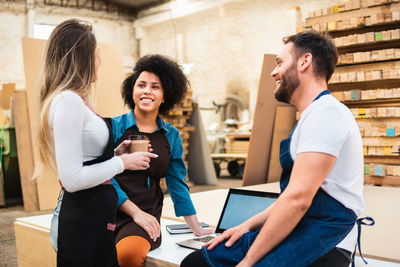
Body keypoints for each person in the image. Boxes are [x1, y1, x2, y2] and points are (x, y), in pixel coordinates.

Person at [181, 30, 373, 267]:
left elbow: (298, 199)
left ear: (305, 61)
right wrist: (247, 225)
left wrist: (248, 262)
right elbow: (292, 196)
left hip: (325, 240)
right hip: (304, 227)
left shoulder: (326, 114)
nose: (273, 72)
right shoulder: (314, 115)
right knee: (200, 260)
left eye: (280, 63)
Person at [34, 19, 157, 266]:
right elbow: (73, 179)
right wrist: (122, 162)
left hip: (94, 215)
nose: (100, 58)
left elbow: (84, 159)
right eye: (97, 52)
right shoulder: (68, 101)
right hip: (83, 220)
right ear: (83, 57)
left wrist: (115, 153)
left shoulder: (74, 101)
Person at [109, 54, 214, 267]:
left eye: (155, 87)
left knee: (128, 255)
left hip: (145, 218)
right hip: (106, 209)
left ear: (165, 96)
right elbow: (101, 175)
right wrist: (133, 212)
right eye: (141, 85)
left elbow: (177, 183)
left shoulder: (171, 135)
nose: (147, 91)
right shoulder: (112, 127)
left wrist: (196, 228)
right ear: (132, 90)